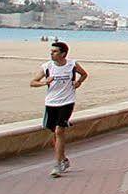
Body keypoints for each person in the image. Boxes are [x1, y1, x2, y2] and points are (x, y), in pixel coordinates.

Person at [30, 41, 87, 178]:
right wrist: (45, 82)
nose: (51, 53)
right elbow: (33, 82)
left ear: (63, 54)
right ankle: (63, 158)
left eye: (55, 51)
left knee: (59, 130)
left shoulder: (72, 65)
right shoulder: (47, 67)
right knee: (55, 134)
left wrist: (78, 82)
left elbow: (84, 74)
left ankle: (57, 164)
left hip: (67, 102)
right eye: (51, 51)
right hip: (51, 103)